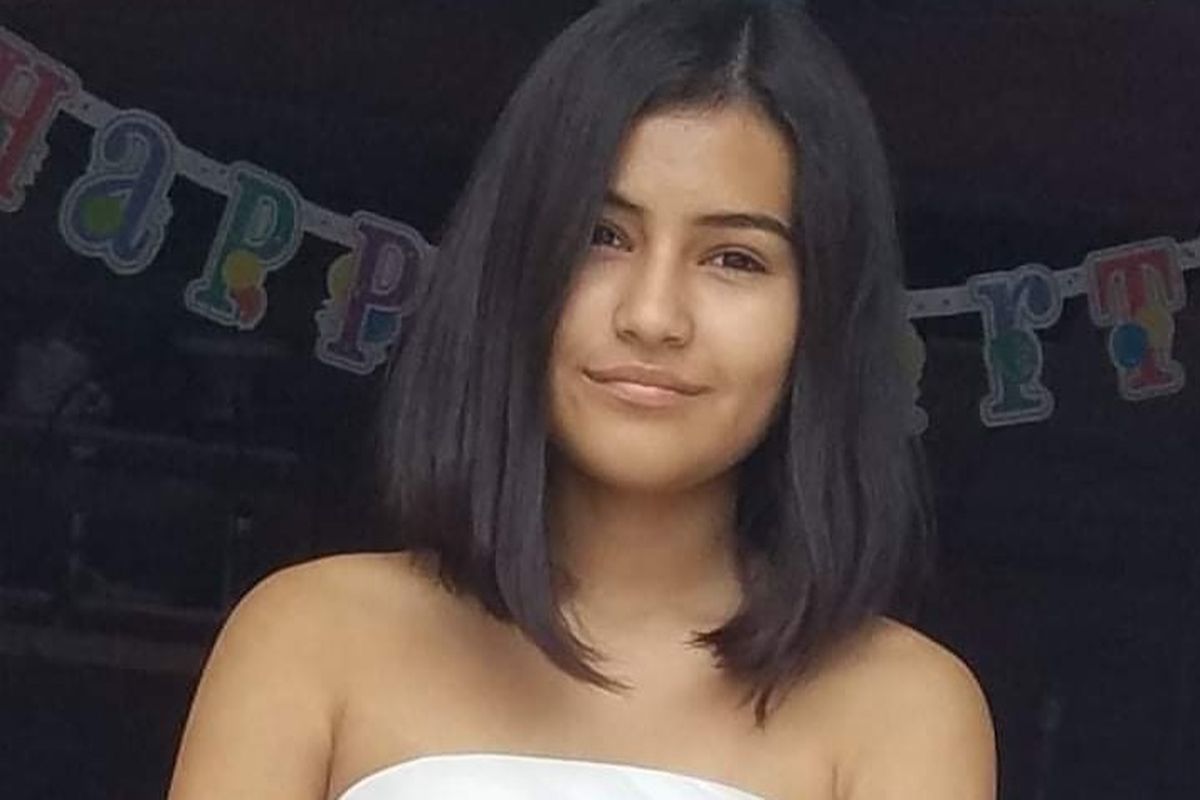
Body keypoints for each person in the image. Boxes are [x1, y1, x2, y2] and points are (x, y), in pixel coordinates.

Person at [168, 1, 996, 798]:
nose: (652, 315)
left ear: (822, 319)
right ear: (512, 263)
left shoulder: (904, 709)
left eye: (735, 259)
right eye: (604, 236)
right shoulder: (311, 638)